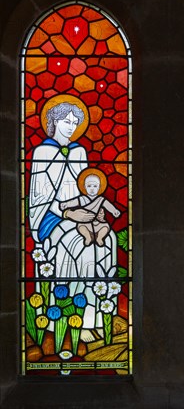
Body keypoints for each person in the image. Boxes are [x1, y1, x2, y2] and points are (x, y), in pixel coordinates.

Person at [29, 100, 117, 332]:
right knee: (77, 243)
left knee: (110, 239)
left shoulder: (79, 151)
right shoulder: (42, 152)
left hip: (80, 212)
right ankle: (67, 316)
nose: (71, 126)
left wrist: (92, 210)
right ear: (54, 121)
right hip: (50, 217)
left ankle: (97, 315)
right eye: (66, 121)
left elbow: (85, 187)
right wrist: (67, 213)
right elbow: (39, 198)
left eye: (75, 122)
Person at [60, 170, 121, 247]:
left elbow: (108, 206)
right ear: (84, 187)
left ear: (99, 187)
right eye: (89, 186)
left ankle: (100, 238)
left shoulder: (101, 199)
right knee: (81, 227)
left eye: (95, 186)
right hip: (86, 223)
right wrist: (66, 204)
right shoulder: (82, 199)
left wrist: (114, 211)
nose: (92, 189)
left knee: (105, 227)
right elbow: (74, 202)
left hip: (99, 222)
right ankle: (87, 237)